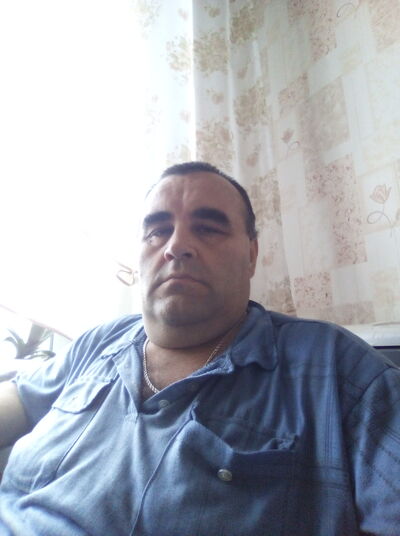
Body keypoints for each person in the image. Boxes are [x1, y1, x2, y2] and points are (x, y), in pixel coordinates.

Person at [0, 161, 399, 536]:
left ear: (251, 255)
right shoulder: (97, 342)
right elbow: (20, 397)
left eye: (208, 228)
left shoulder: (340, 372)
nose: (176, 246)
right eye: (157, 231)